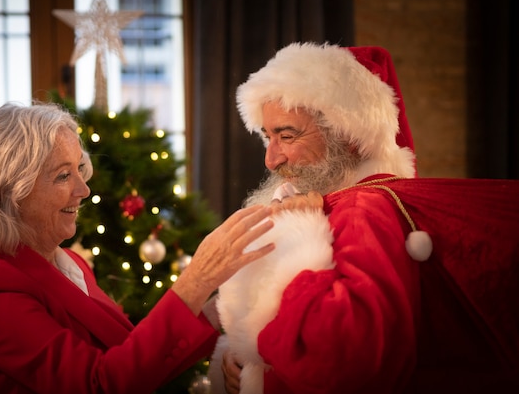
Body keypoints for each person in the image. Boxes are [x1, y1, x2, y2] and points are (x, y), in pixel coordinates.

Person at [208, 42, 519, 393]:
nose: (271, 160)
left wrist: (299, 241)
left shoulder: (362, 210)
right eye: (268, 137)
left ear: (349, 137)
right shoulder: (329, 203)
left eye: (287, 135)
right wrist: (241, 361)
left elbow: (345, 362)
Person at [0, 101, 278, 394]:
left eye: (79, 170)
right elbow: (102, 384)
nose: (83, 190)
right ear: (14, 192)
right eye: (62, 176)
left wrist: (233, 298)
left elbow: (138, 360)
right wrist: (196, 280)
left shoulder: (68, 262)